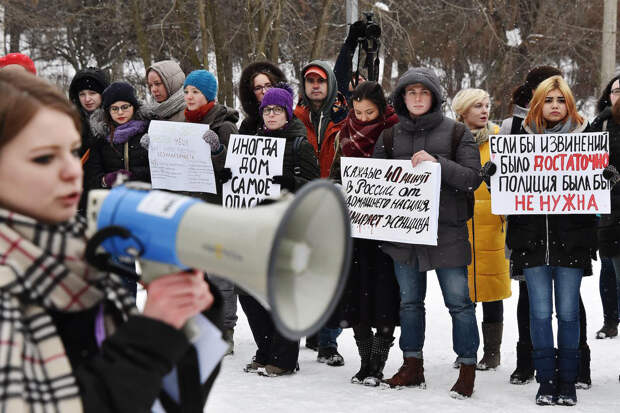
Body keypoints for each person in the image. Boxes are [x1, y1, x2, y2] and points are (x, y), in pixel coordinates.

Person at [0, 69, 219, 412]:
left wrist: (194, 322)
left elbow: (167, 400)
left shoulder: (79, 258)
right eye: (44, 157)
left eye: (72, 151)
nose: (72, 171)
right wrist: (153, 334)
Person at [373, 67, 482, 399]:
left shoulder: (456, 133)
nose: (417, 98)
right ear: (402, 98)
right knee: (409, 303)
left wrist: (438, 164)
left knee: (460, 304)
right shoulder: (390, 136)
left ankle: (466, 367)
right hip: (404, 236)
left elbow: (472, 178)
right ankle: (412, 363)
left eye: (423, 92)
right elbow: (376, 183)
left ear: (433, 97)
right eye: (411, 92)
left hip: (447, 233)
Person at [493, 75, 596, 406]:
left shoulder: (587, 140)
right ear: (538, 104)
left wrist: (607, 178)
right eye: (548, 100)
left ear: (569, 104)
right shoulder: (519, 141)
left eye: (560, 100)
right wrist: (492, 178)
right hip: (531, 240)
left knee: (567, 313)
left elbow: (597, 193)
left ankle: (567, 380)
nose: (554, 106)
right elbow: (506, 196)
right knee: (538, 314)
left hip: (572, 239)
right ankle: (545, 379)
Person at [240, 83, 320, 377]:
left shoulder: (300, 144)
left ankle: (284, 357)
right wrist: (227, 176)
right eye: (267, 110)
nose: (271, 115)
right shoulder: (253, 142)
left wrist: (290, 184)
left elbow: (315, 189)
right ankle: (265, 350)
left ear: (287, 112)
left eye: (277, 110)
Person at [328, 81, 400, 387]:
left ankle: (378, 363)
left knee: (384, 297)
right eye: (358, 112)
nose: (364, 117)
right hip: (355, 229)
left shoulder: (394, 132)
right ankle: (364, 362)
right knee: (356, 296)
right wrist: (334, 189)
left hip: (386, 231)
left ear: (381, 109)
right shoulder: (345, 132)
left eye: (370, 112)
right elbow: (335, 173)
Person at [451, 88, 511, 371]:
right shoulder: (451, 140)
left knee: (492, 291)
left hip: (492, 227)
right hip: (460, 226)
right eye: (477, 106)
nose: (484, 110)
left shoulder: (500, 139)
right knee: (462, 295)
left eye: (487, 105)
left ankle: (492, 352)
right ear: (462, 111)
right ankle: (467, 349)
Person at [293, 60, 348, 365]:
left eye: (320, 80)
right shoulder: (294, 117)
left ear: (330, 85)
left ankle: (328, 342)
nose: (315, 85)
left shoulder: (345, 117)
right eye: (309, 80)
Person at [183, 69, 239, 353]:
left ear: (209, 95)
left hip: (218, 209)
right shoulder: (185, 123)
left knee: (220, 274)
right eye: (187, 91)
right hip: (194, 208)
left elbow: (235, 170)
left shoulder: (224, 126)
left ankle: (226, 330)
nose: (189, 97)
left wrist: (217, 152)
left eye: (195, 92)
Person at [592, 74, 620, 340]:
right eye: (615, 90)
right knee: (608, 268)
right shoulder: (600, 124)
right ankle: (610, 320)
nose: (619, 95)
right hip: (607, 210)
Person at [85, 82, 151, 190]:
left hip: (145, 197)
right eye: (114, 108)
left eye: (125, 107)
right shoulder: (101, 137)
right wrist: (106, 180)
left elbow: (160, 170)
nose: (120, 112)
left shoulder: (149, 130)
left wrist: (134, 175)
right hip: (113, 199)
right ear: (108, 111)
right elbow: (92, 177)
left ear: (133, 106)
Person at [68, 67, 110, 213]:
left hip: (108, 194)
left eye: (92, 93)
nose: (87, 99)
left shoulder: (117, 117)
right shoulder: (70, 122)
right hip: (78, 194)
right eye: (82, 94)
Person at [238, 61, 287, 134]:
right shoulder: (248, 125)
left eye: (268, 86)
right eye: (258, 88)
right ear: (252, 93)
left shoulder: (291, 120)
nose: (264, 91)